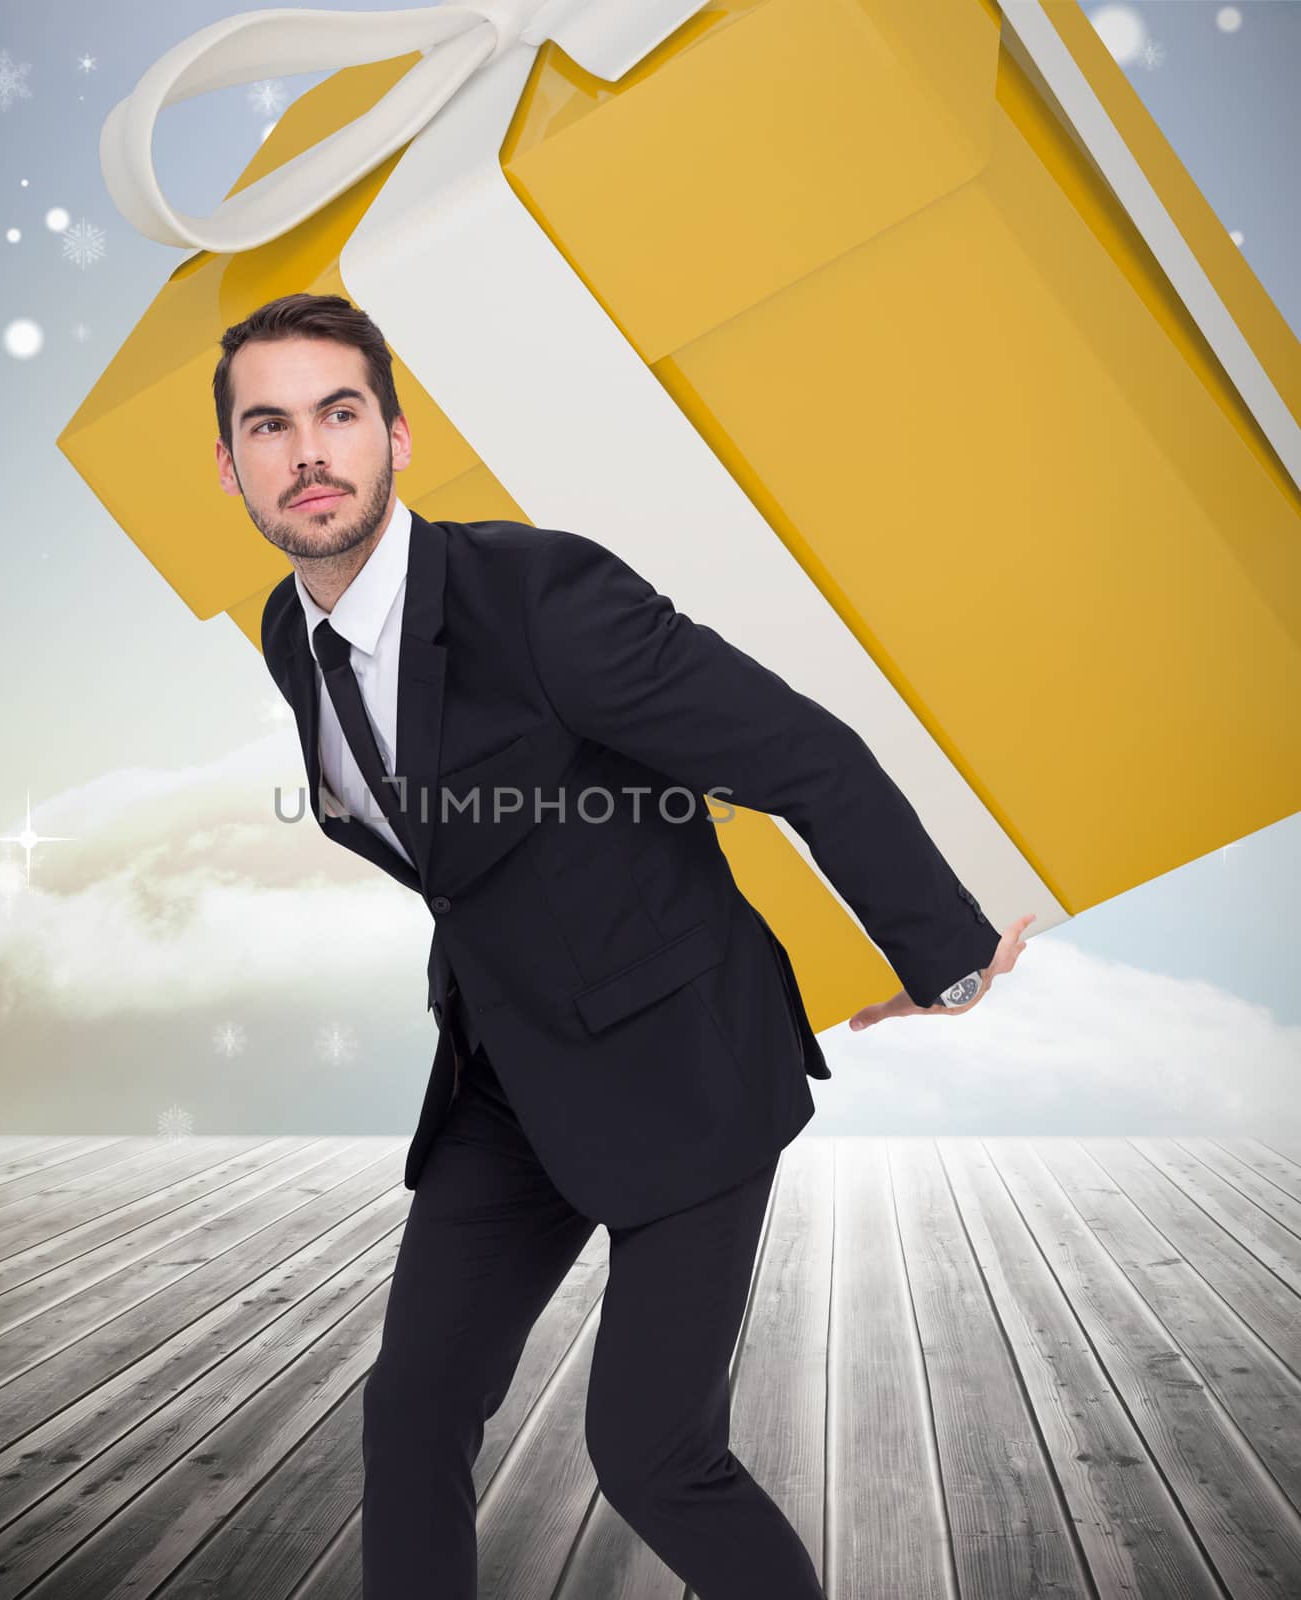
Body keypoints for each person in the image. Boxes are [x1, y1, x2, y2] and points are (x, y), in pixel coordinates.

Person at [214, 291, 1031, 1599]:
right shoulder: (287, 632)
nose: (307, 453)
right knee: (412, 1416)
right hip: (506, 1066)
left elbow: (798, 752)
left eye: (339, 414)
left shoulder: (541, 596)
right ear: (233, 464)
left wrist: (944, 952)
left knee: (652, 1456)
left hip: (680, 1057)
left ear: (396, 437)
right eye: (271, 425)